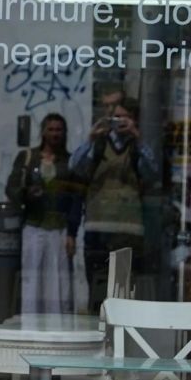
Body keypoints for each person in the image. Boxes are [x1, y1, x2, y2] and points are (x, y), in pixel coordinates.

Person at [70, 91, 157, 301]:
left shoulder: (139, 147)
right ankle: (96, 330)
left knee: (123, 290)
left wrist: (137, 138)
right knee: (97, 288)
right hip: (97, 225)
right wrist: (91, 139)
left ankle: (120, 332)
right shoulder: (99, 144)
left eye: (124, 117)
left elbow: (151, 173)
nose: (120, 122)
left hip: (128, 228)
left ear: (134, 119)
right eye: (116, 117)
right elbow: (75, 167)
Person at [7, 113, 83, 315]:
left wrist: (72, 233)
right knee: (32, 283)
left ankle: (58, 333)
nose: (55, 134)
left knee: (61, 285)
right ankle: (31, 331)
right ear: (43, 132)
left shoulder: (70, 161)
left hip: (60, 229)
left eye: (59, 130)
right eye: (51, 129)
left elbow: (76, 199)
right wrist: (26, 193)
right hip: (33, 226)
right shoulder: (28, 157)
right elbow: (12, 187)